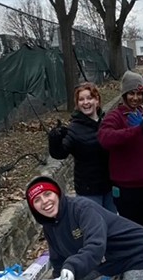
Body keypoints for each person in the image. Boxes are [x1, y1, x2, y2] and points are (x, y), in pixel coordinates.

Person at [97, 70, 143, 237]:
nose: (135, 98)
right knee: (132, 230)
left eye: (139, 94)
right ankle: (134, 261)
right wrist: (136, 130)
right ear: (124, 94)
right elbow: (105, 138)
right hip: (127, 185)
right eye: (131, 94)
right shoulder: (115, 117)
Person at [48, 83, 114, 211]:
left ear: (97, 100)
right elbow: (60, 153)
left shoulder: (107, 123)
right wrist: (54, 139)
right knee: (93, 228)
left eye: (90, 98)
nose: (86, 102)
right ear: (77, 104)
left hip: (110, 187)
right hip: (89, 191)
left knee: (112, 226)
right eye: (81, 99)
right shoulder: (73, 128)